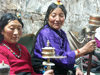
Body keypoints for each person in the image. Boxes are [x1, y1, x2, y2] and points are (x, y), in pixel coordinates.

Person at [31, 0, 96, 75]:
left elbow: (66, 53)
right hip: (47, 70)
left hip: (60, 68)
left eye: (61, 15)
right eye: (53, 15)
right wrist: (82, 50)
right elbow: (59, 57)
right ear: (48, 17)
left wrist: (76, 67)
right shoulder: (46, 33)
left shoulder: (62, 33)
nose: (57, 19)